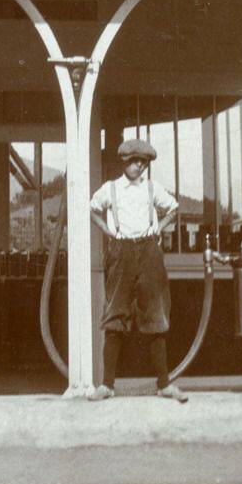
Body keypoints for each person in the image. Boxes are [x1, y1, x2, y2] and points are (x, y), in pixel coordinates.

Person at [88, 138, 187, 403]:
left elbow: (173, 208)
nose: (139, 167)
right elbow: (93, 210)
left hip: (148, 252)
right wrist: (109, 231)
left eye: (143, 163)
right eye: (135, 162)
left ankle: (164, 384)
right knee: (115, 315)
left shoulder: (152, 188)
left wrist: (158, 228)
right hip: (120, 252)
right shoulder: (110, 189)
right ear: (125, 162)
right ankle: (106, 385)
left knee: (155, 315)